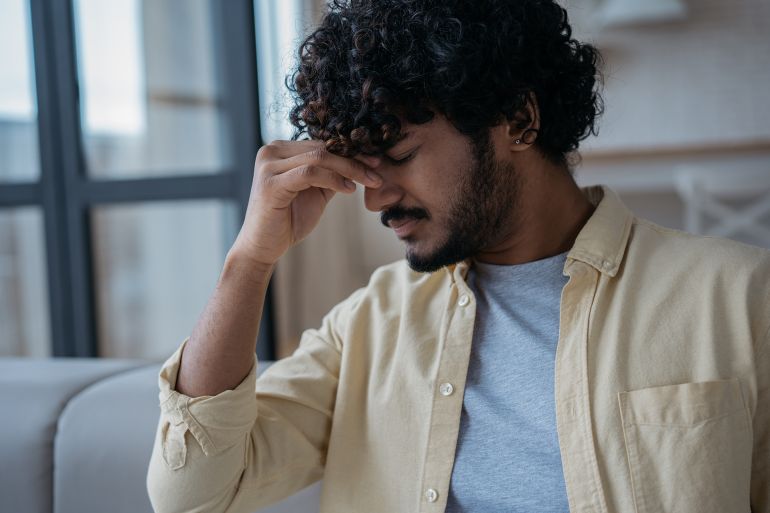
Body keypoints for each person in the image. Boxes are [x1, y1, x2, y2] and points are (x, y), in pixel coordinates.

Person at [146, 1, 770, 512]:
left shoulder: (739, 298)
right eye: (362, 168)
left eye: (398, 154)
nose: (376, 200)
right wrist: (250, 260)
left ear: (519, 121)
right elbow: (191, 493)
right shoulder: (369, 325)